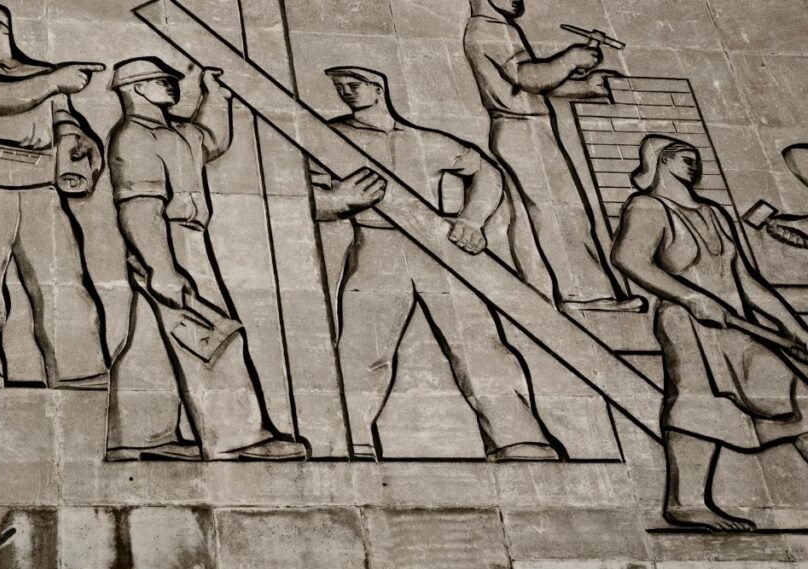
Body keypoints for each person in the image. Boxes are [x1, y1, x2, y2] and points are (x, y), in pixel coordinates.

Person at [312, 66, 560, 462]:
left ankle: (518, 438)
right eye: (339, 87)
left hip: (435, 248)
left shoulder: (423, 140)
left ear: (378, 88)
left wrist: (471, 219)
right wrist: (335, 201)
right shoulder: (329, 136)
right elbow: (290, 188)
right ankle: (348, 439)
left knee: (476, 339)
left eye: (353, 85)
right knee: (364, 347)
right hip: (376, 245)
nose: (345, 92)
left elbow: (486, 171)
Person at [104, 57, 308, 461]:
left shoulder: (176, 131)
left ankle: (138, 437)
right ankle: (239, 438)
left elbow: (211, 139)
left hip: (185, 239)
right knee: (213, 335)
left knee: (151, 342)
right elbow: (138, 207)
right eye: (163, 81)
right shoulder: (133, 136)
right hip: (167, 241)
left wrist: (214, 94)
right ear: (137, 87)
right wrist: (162, 266)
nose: (172, 86)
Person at [612, 135, 808, 531]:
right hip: (687, 323)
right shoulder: (648, 206)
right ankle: (686, 503)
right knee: (696, 403)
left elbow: (748, 281)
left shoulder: (713, 212)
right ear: (661, 161)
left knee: (796, 394)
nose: (694, 166)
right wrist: (689, 297)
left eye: (697, 160)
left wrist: (795, 328)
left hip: (735, 324)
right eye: (686, 159)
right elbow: (628, 258)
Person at [0, 1, 107, 388]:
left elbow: (62, 119)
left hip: (40, 186)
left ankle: (80, 371)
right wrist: (53, 82)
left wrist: (79, 139)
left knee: (63, 282)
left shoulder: (41, 74)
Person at [464, 0, 645, 313]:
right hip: (522, 129)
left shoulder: (499, 27)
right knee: (560, 210)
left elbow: (533, 87)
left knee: (531, 215)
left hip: (523, 126)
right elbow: (527, 77)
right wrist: (570, 58)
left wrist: (585, 86)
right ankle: (583, 294)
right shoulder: (485, 28)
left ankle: (541, 292)